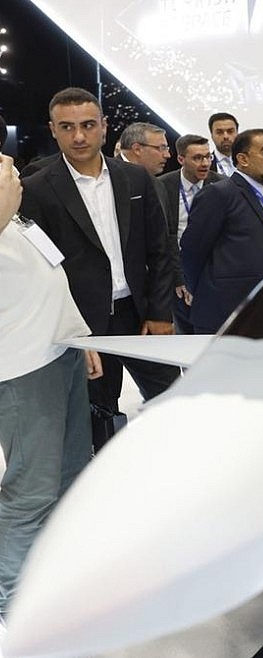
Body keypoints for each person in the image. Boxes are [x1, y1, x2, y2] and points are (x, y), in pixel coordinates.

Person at [19, 87, 179, 420]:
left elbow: (160, 249)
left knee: (173, 402)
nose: (79, 136)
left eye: (88, 125)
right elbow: (41, 269)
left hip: (141, 314)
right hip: (84, 322)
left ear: (104, 126)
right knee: (100, 416)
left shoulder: (135, 178)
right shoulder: (36, 188)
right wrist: (72, 331)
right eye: (67, 127)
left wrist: (161, 312)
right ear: (53, 130)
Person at [0, 152, 102, 619]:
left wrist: (78, 336)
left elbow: (51, 272)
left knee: (70, 474)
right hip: (20, 366)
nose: (9, 161)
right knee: (32, 487)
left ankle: (54, 578)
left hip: (58, 352)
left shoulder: (17, 216)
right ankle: (13, 596)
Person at [181, 129, 263, 334]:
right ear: (243, 159)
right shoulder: (219, 194)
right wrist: (203, 292)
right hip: (230, 313)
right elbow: (192, 251)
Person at [156, 134, 225, 334]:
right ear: (181, 159)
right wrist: (179, 277)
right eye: (197, 158)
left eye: (208, 157)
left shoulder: (222, 185)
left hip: (214, 273)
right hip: (177, 271)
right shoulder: (162, 186)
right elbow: (165, 237)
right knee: (185, 335)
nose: (205, 163)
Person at [208, 112, 239, 177]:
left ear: (237, 133)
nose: (226, 136)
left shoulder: (250, 162)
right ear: (212, 135)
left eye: (230, 131)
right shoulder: (206, 165)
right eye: (219, 132)